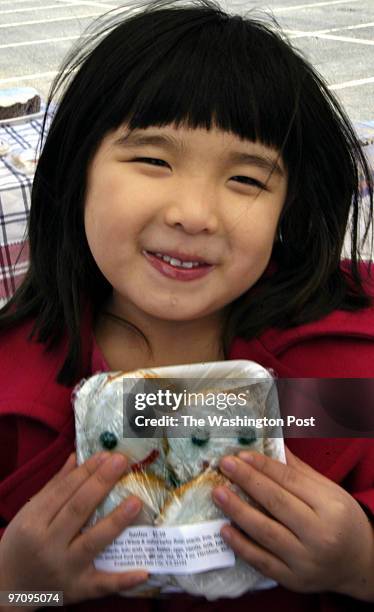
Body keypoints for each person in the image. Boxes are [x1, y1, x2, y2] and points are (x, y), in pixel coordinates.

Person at [0, 0, 373, 610]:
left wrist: (361, 566)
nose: (194, 214)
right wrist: (19, 589)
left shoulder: (335, 368)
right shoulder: (11, 388)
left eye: (247, 180)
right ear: (76, 172)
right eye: (153, 160)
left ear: (290, 207)